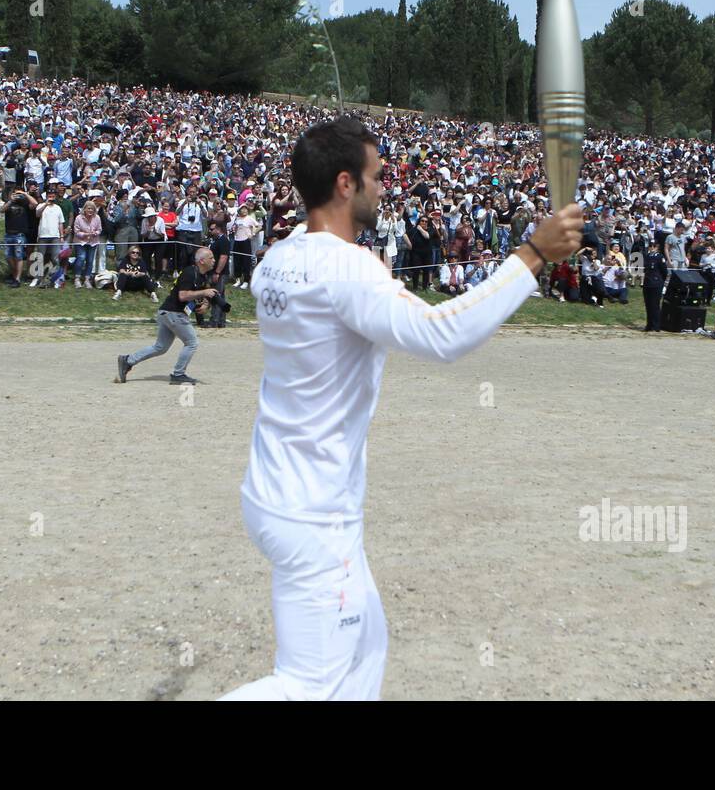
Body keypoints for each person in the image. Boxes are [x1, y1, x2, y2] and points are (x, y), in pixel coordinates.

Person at [218, 117, 582, 701]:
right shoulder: (347, 269)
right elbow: (442, 334)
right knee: (307, 685)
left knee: (367, 648)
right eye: (376, 177)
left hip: (280, 496)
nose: (385, 188)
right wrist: (533, 254)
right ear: (345, 184)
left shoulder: (277, 261)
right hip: (314, 513)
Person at [116, 246, 217, 386]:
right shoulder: (189, 273)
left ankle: (128, 360)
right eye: (211, 258)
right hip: (173, 313)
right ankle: (178, 374)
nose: (214, 260)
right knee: (191, 343)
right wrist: (204, 293)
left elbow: (200, 294)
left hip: (167, 312)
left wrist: (205, 304)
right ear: (201, 261)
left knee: (160, 347)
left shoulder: (202, 276)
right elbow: (183, 296)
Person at [642, 238, 666, 331]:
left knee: (655, 305)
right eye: (650, 246)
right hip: (647, 283)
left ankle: (656, 326)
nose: (652, 248)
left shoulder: (660, 257)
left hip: (656, 283)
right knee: (648, 305)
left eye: (654, 246)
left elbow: (664, 271)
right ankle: (649, 325)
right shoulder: (647, 256)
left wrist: (660, 281)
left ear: (657, 247)